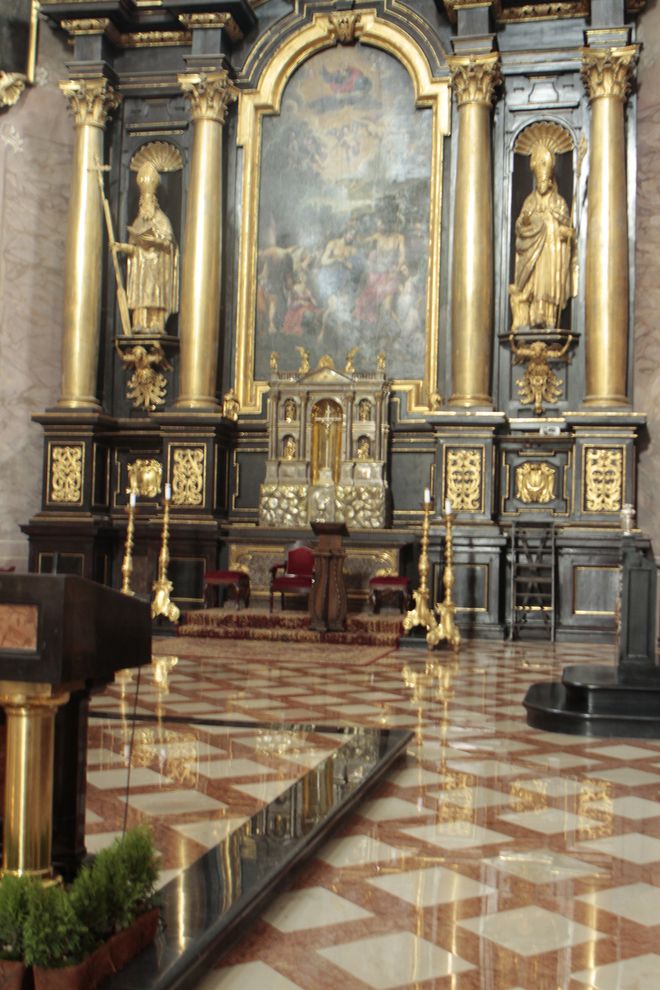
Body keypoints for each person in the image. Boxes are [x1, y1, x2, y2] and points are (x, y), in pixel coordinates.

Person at [509, 143, 576, 332]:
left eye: (545, 181)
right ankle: (532, 317)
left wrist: (565, 233)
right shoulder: (529, 202)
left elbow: (567, 227)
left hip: (552, 255)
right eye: (539, 182)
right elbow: (519, 226)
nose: (542, 185)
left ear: (550, 181)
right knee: (535, 284)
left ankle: (549, 318)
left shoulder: (559, 203)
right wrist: (527, 222)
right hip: (534, 256)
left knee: (548, 285)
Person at [115, 162, 179, 334]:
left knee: (155, 293)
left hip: (158, 265)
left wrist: (155, 241)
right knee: (142, 295)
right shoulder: (138, 221)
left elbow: (169, 242)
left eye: (148, 201)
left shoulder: (162, 219)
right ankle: (140, 322)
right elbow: (133, 247)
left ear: (154, 201)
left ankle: (157, 324)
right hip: (141, 267)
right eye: (142, 201)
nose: (145, 204)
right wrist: (121, 247)